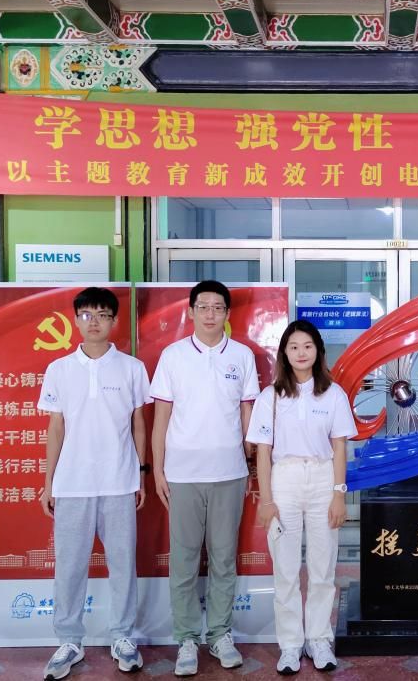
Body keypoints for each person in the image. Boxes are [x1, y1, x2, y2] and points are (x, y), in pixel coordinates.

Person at [37, 287, 151, 681]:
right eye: (87, 315)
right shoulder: (59, 369)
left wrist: (140, 474)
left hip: (119, 481)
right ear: (76, 320)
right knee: (69, 567)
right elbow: (55, 428)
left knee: (123, 564)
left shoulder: (132, 368)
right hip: (72, 484)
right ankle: (69, 640)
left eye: (103, 315)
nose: (94, 322)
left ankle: (123, 636)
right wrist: (49, 483)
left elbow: (139, 424)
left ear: (115, 321)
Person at [150, 281, 260, 676]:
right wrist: (158, 469)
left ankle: (219, 634)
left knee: (223, 559)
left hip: (229, 472)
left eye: (218, 307)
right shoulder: (173, 356)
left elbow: (248, 414)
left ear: (227, 313)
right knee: (183, 559)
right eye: (203, 307)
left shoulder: (242, 356)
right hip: (182, 474)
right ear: (191, 311)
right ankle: (185, 638)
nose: (210, 314)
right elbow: (161, 417)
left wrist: (252, 460)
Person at [246, 319, 356, 675]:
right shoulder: (270, 397)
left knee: (323, 568)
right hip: (285, 481)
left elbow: (339, 448)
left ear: (318, 351)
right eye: (293, 347)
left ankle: (319, 639)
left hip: (323, 479)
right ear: (284, 353)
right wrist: (267, 500)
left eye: (307, 346)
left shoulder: (333, 394)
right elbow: (263, 453)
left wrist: (339, 494)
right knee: (286, 569)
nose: (301, 353)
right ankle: (291, 644)